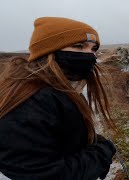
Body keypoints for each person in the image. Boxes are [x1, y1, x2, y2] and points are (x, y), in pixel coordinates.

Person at [0, 17, 117, 180]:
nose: (90, 55)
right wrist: (102, 152)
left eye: (93, 49)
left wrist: (91, 140)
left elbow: (59, 138)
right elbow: (44, 174)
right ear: (48, 51)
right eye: (79, 46)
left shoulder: (54, 91)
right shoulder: (32, 103)